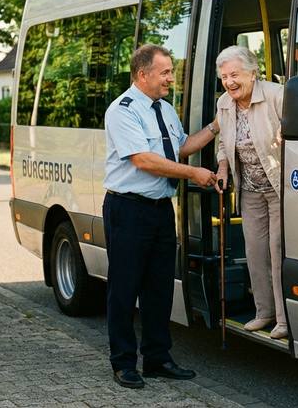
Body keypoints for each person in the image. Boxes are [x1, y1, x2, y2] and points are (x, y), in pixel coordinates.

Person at [103, 44, 220, 389]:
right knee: (124, 289)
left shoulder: (165, 109)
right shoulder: (123, 110)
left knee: (158, 289)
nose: (172, 77)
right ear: (143, 74)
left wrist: (216, 126)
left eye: (171, 71)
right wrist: (192, 174)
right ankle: (123, 362)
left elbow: (179, 146)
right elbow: (143, 159)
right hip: (128, 210)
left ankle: (156, 358)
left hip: (160, 211)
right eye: (165, 72)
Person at [214, 45, 287, 339]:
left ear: (253, 73)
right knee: (255, 253)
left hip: (280, 188)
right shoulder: (224, 103)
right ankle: (264, 312)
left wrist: (288, 135)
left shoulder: (275, 95)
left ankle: (284, 319)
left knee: (277, 251)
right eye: (224, 77)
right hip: (250, 190)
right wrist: (222, 168)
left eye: (235, 75)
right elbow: (223, 142)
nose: (229, 82)